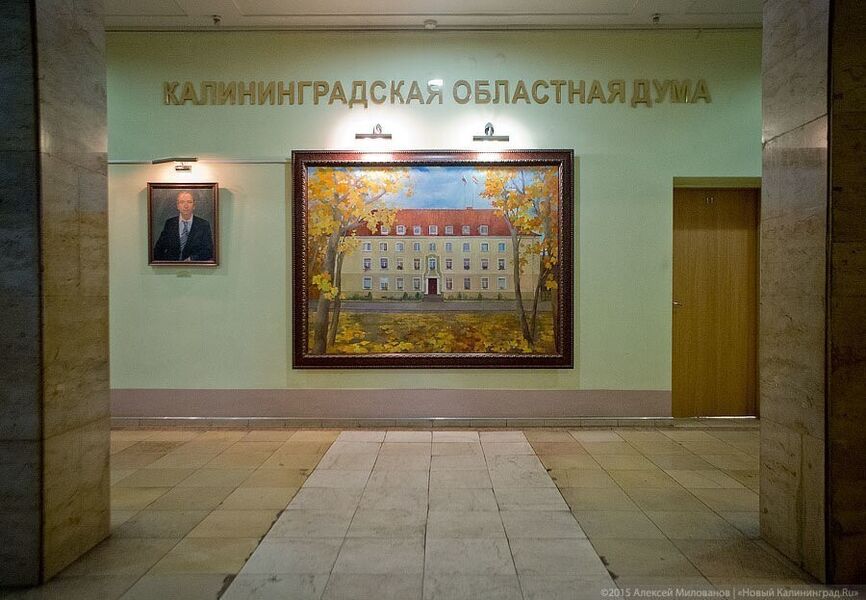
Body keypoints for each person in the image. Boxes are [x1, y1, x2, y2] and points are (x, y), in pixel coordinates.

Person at [152, 190, 214, 261]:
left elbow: (208, 251)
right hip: (171, 266)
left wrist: (192, 259)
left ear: (194, 206)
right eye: (182, 202)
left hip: (194, 265)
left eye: (189, 202)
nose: (186, 206)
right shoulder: (170, 223)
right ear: (178, 206)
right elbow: (158, 249)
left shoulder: (203, 225)